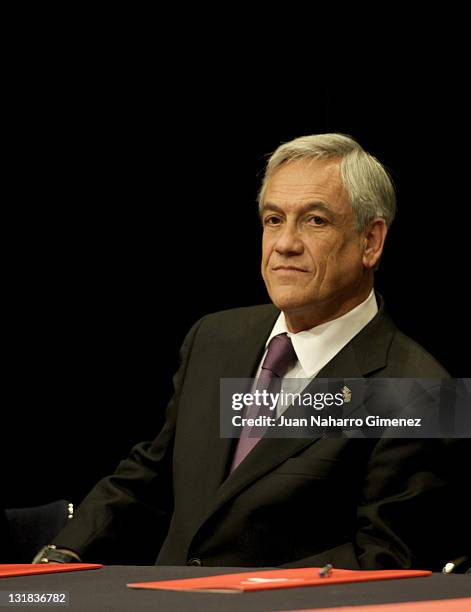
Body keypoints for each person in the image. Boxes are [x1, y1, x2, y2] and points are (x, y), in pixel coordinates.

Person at [34, 134, 467, 570]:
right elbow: (154, 472)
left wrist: (233, 595)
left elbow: (382, 561)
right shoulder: (215, 338)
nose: (285, 244)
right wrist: (65, 551)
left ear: (370, 242)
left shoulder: (421, 391)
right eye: (274, 219)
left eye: (315, 221)